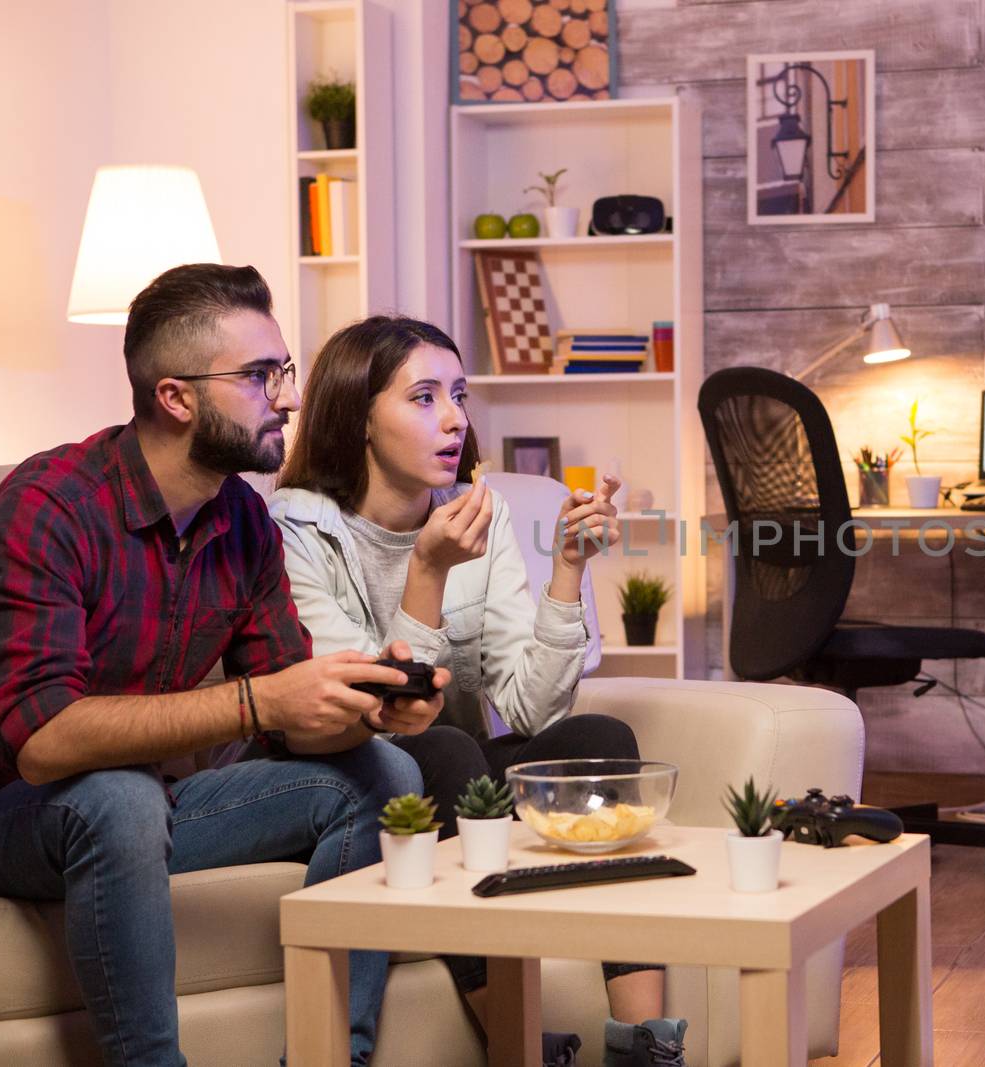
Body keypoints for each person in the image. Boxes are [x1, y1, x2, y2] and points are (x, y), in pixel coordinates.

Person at [0, 264, 448, 1067]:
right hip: (0, 815)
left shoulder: (242, 518)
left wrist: (367, 703)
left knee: (384, 771)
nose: (288, 398)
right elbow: (41, 742)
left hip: (144, 807)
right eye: (261, 377)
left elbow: (292, 723)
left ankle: (332, 1057)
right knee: (118, 795)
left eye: (282, 372)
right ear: (175, 397)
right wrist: (261, 702)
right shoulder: (47, 507)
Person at [273, 315, 687, 1067]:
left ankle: (646, 1049)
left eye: (458, 394)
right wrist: (426, 573)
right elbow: (377, 713)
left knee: (600, 745)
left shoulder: (479, 514)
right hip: (361, 774)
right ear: (356, 418)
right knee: (443, 748)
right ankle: (520, 1047)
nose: (456, 418)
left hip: (460, 785)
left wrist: (568, 566)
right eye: (424, 397)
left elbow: (530, 711)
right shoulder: (298, 527)